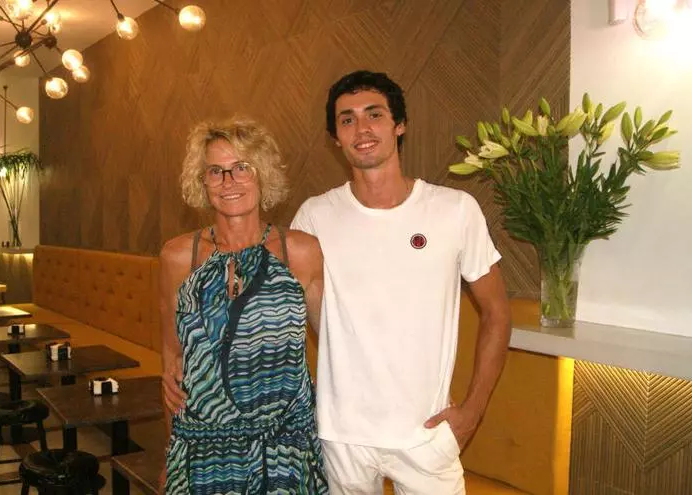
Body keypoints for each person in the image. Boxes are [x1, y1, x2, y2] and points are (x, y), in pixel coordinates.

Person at [289, 70, 512, 494]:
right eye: (347, 119)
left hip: (426, 435)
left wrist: (473, 411)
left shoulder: (454, 210)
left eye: (374, 114)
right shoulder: (314, 217)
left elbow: (497, 313)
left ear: (400, 124)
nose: (362, 128)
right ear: (335, 137)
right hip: (341, 437)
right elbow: (295, 315)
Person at [158, 116, 329, 494]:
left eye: (241, 168)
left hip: (285, 447)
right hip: (203, 450)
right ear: (202, 182)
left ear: (262, 173)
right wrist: (171, 456)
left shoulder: (301, 251)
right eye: (215, 171)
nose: (228, 181)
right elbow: (172, 363)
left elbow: (337, 344)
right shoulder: (178, 256)